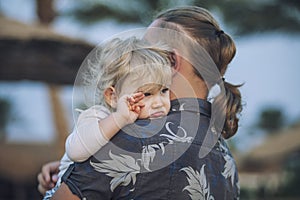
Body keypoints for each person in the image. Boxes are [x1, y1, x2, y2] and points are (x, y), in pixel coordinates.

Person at [38, 6, 242, 199]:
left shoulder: (132, 138)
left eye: (146, 50)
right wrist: (76, 169)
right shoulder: (226, 160)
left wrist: (66, 182)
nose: (137, 57)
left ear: (171, 61)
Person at [42, 36, 173, 199]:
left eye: (164, 91)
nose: (159, 103)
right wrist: (119, 118)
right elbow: (75, 151)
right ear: (113, 96)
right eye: (147, 94)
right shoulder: (98, 116)